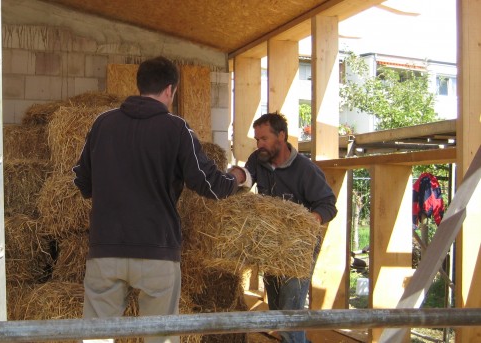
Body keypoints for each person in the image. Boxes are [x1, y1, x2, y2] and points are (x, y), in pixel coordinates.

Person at [73, 56, 251, 343]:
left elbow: (81, 180)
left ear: (139, 84)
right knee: (161, 338)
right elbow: (210, 185)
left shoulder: (102, 123)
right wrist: (239, 178)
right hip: (157, 252)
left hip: (106, 250)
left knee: (96, 338)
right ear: (171, 90)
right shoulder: (177, 129)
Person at [243, 112, 337, 343]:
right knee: (277, 311)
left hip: (298, 248)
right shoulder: (258, 160)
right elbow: (245, 181)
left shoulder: (305, 170)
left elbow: (328, 205)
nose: (259, 144)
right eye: (257, 139)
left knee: (290, 313)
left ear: (281, 136)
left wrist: (306, 221)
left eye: (264, 139)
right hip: (271, 242)